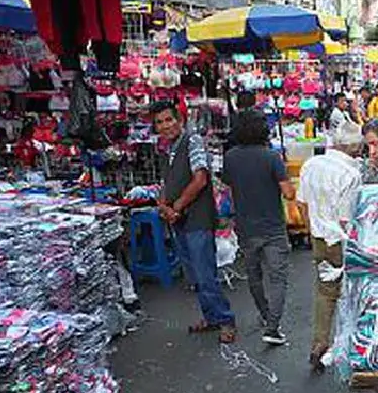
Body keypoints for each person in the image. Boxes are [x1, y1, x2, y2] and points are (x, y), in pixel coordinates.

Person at [151, 101, 237, 343]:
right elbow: (166, 183)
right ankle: (211, 317)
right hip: (179, 220)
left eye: (169, 120)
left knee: (205, 273)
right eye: (160, 122)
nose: (165, 126)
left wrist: (176, 207)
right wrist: (163, 205)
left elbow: (200, 179)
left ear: (179, 119)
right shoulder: (168, 149)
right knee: (194, 275)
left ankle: (225, 320)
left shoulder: (192, 141)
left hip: (197, 218)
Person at [220, 110, 294, 346]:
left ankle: (265, 314)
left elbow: (229, 188)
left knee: (255, 276)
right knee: (278, 278)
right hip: (272, 226)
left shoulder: (230, 157)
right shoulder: (271, 157)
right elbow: (288, 193)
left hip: (246, 226)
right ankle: (273, 327)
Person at [298, 121, 364, 372]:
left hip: (319, 238)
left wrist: (311, 231)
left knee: (325, 292)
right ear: (355, 148)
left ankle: (320, 343)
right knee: (351, 295)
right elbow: (347, 218)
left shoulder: (311, 165)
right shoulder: (351, 174)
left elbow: (302, 204)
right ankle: (350, 347)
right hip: (342, 241)